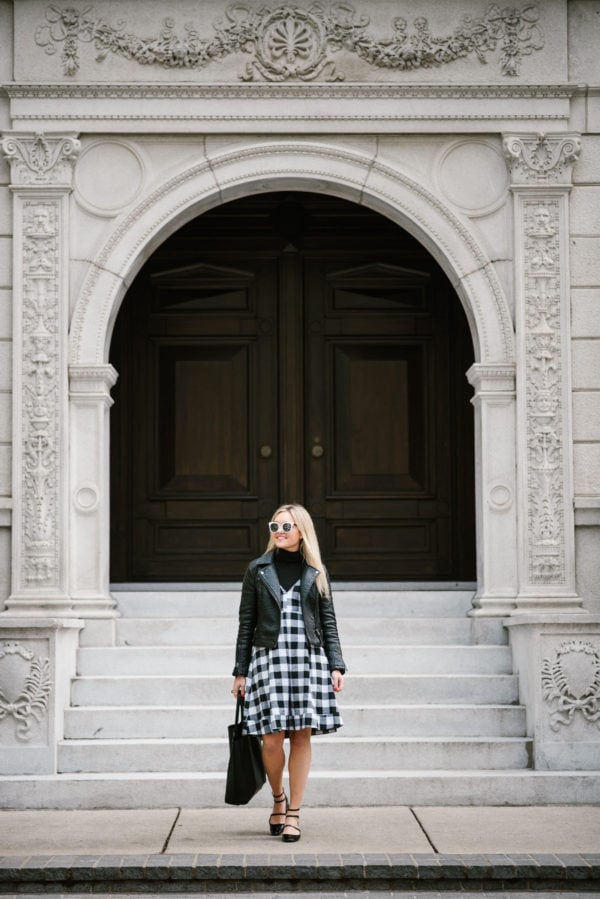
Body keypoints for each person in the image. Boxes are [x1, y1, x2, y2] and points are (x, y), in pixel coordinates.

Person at [231, 503, 346, 843]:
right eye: (275, 526)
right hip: (269, 658)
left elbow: (328, 621)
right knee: (270, 739)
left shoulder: (316, 571)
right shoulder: (258, 569)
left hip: (307, 659)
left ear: (301, 531)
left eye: (286, 526)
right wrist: (240, 672)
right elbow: (246, 622)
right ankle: (278, 797)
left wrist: (336, 664)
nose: (279, 532)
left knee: (301, 736)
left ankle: (293, 812)